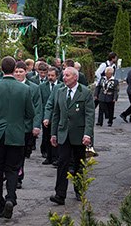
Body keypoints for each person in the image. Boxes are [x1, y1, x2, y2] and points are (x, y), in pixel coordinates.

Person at [0, 56, 34, 219]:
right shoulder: (25, 89)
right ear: (14, 69)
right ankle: (10, 197)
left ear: (1, 69)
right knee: (12, 169)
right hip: (16, 135)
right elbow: (30, 113)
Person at [49, 67, 94, 206]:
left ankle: (79, 190)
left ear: (75, 77)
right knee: (62, 163)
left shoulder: (85, 92)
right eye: (63, 76)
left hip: (79, 134)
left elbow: (89, 115)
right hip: (63, 133)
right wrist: (54, 133)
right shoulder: (60, 91)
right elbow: (56, 113)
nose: (64, 78)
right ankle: (60, 194)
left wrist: (88, 134)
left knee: (79, 163)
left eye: (67, 76)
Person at [13, 61, 42, 189]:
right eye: (16, 72)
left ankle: (19, 177)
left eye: (21, 71)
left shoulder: (34, 88)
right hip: (10, 126)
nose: (18, 74)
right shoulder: (10, 85)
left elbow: (38, 108)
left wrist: (36, 126)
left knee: (21, 153)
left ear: (26, 72)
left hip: (25, 126)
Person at [40, 66, 61, 165]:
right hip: (46, 115)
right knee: (46, 136)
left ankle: (56, 157)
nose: (50, 77)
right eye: (48, 75)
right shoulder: (42, 86)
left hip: (57, 116)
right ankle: (48, 157)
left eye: (52, 75)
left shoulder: (60, 87)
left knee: (56, 137)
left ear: (57, 76)